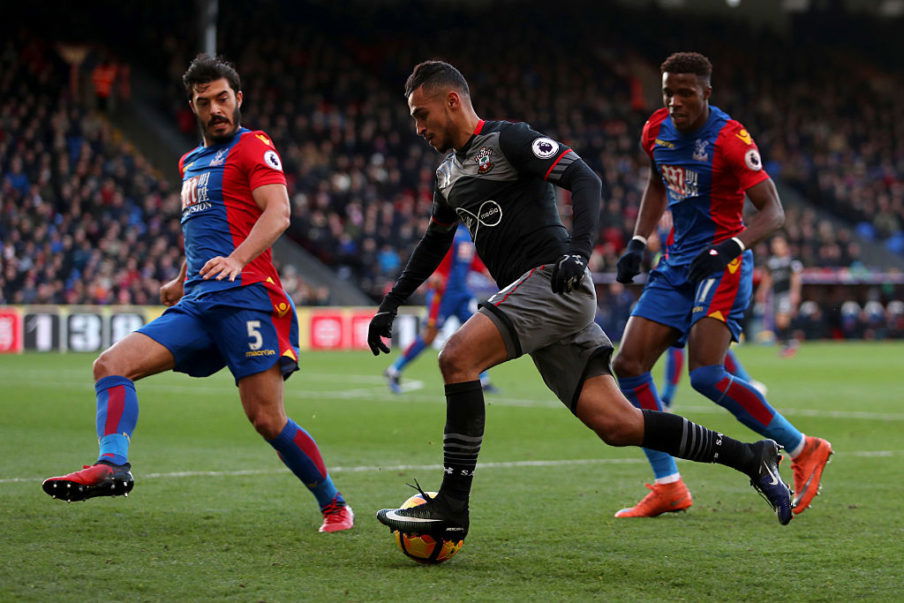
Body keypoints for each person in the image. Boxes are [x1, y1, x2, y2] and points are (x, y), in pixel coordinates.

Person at [368, 60, 793, 544]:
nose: (418, 128)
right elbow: (433, 243)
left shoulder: (508, 140)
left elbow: (585, 178)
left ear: (452, 101)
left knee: (457, 357)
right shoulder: (448, 174)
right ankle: (751, 457)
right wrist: (391, 303)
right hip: (534, 301)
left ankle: (451, 506)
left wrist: (579, 251)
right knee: (618, 424)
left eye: (421, 115)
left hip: (553, 283)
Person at [41, 54, 354, 533]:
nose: (215, 109)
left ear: (238, 99)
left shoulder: (253, 146)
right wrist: (181, 277)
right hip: (197, 303)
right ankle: (113, 464)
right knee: (110, 365)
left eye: (222, 98)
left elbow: (278, 213)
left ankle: (334, 504)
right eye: (204, 102)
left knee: (267, 419)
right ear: (193, 106)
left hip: (247, 299)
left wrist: (238, 260)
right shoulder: (190, 162)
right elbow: (205, 228)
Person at [612, 52, 831, 519]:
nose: (674, 101)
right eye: (668, 92)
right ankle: (669, 484)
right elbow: (657, 183)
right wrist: (638, 241)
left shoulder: (730, 139)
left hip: (722, 265)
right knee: (627, 364)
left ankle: (802, 447)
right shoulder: (655, 130)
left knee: (706, 376)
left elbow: (773, 212)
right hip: (676, 264)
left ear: (707, 94)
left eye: (685, 93)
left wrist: (730, 247)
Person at [383, 224, 498, 394]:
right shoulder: (450, 229)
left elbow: (468, 259)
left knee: (477, 333)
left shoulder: (467, 233)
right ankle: (394, 370)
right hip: (443, 294)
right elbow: (435, 252)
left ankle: (483, 380)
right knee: (428, 337)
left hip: (462, 293)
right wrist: (434, 273)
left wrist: (484, 271)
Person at [758, 234, 803, 357]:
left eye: (779, 243)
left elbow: (795, 278)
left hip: (786, 293)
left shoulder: (791, 261)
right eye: (774, 244)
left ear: (785, 246)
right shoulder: (771, 262)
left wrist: (795, 293)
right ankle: (788, 343)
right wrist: (762, 291)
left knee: (782, 321)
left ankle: (790, 342)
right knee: (779, 322)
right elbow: (768, 279)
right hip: (776, 295)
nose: (776, 246)